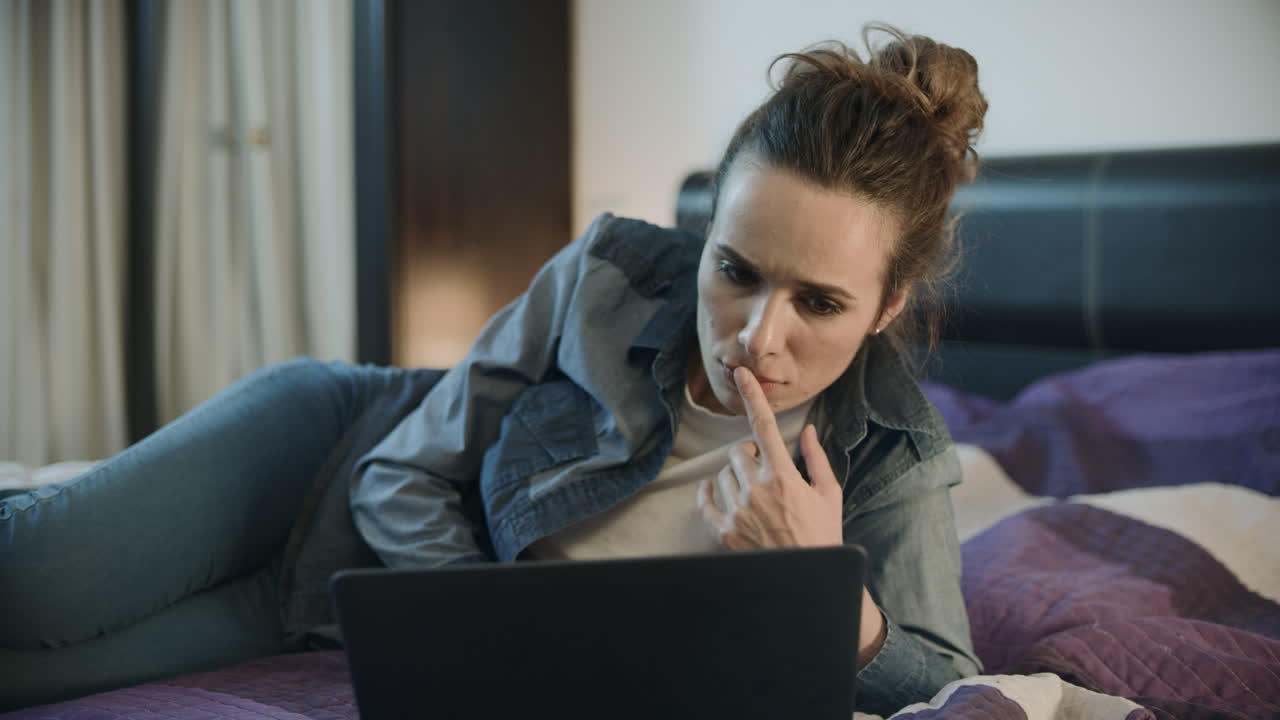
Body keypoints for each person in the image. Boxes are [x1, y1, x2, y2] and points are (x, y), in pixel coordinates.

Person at [1, 24, 986, 716]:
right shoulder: (603, 272)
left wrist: (827, 590)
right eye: (733, 271)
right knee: (31, 585)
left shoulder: (892, 456)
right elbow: (399, 471)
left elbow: (949, 690)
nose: (756, 340)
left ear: (888, 306)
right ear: (703, 237)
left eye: (817, 303)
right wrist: (491, 641)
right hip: (320, 452)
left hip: (331, 614)